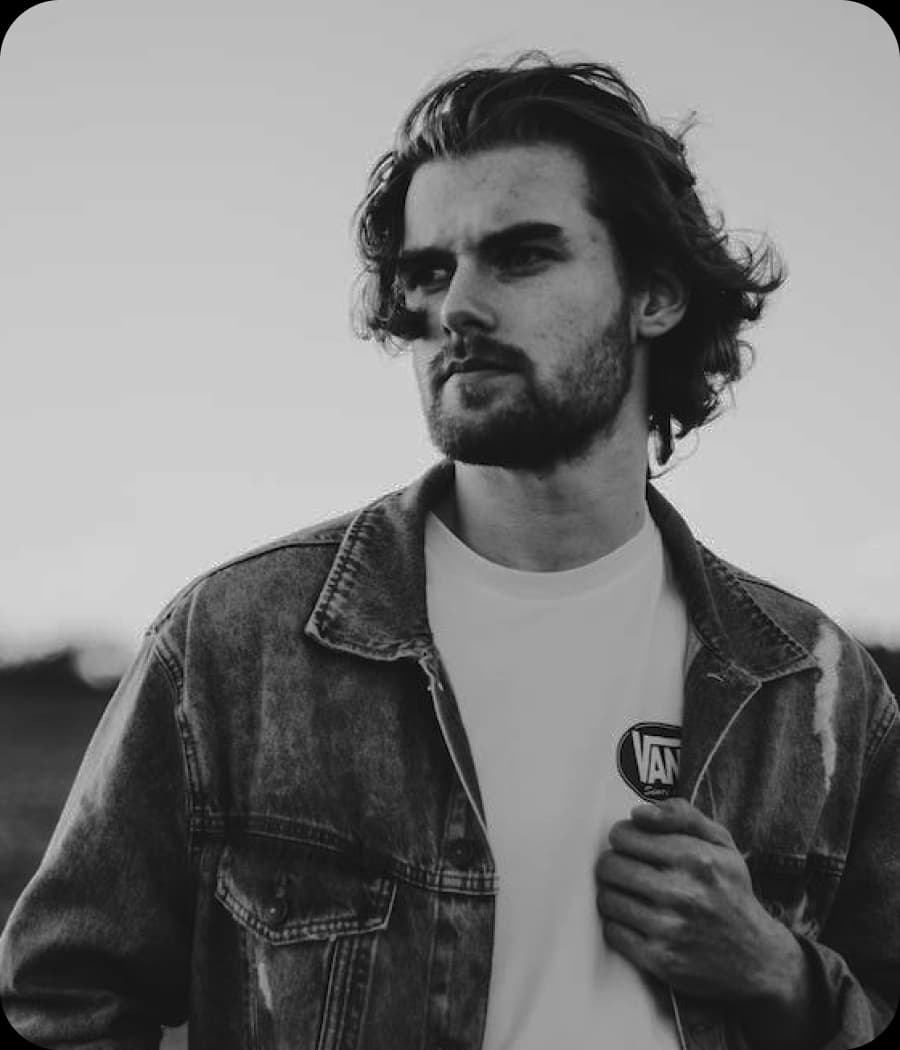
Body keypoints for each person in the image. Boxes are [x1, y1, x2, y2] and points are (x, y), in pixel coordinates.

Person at [1, 51, 897, 1050]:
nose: (455, 307)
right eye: (430, 272)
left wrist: (784, 981)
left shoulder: (817, 693)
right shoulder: (234, 646)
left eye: (520, 255)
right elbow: (60, 1005)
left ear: (654, 296)